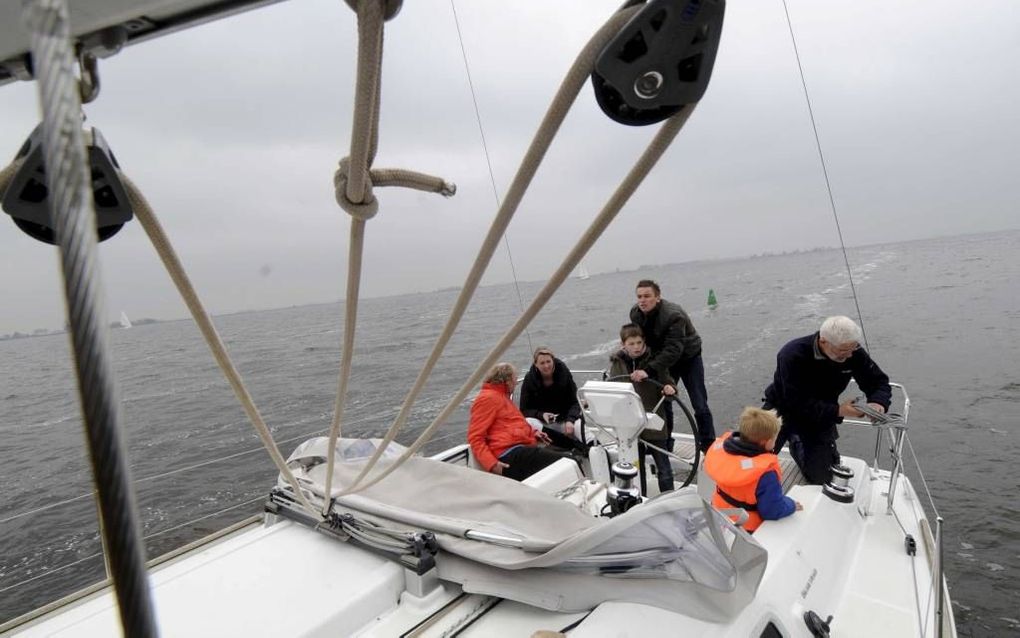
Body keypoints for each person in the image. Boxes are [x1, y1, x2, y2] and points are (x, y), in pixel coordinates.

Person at [763, 315, 892, 484]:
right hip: (781, 409)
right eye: (843, 350)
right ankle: (793, 435)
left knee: (822, 477)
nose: (849, 355)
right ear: (823, 342)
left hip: (820, 416)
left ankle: (796, 443)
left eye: (852, 349)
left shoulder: (853, 352)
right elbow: (795, 402)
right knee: (756, 463)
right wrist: (839, 410)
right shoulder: (791, 354)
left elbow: (878, 382)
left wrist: (877, 402)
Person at [629, 279, 715, 451]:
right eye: (639, 296)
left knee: (699, 402)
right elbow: (638, 340)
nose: (642, 300)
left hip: (688, 357)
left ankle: (708, 445)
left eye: (647, 296)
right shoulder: (636, 314)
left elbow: (674, 349)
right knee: (664, 399)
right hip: (662, 356)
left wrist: (648, 370)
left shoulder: (674, 315)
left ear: (658, 297)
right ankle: (666, 442)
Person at [468, 362, 573, 481]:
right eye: (514, 380)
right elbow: (475, 437)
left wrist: (534, 433)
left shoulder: (501, 397)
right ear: (507, 381)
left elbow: (513, 423)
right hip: (509, 454)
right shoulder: (487, 399)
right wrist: (492, 465)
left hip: (521, 448)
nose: (516, 383)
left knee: (568, 454)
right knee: (568, 461)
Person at [704, 407, 802, 532]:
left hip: (719, 514)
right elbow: (772, 510)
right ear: (767, 443)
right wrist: (791, 505)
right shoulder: (766, 474)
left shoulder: (725, 452)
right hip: (746, 528)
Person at [608, 324, 678, 493]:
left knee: (664, 469)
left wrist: (669, 389)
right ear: (623, 344)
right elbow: (610, 388)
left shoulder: (655, 362)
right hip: (629, 427)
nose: (637, 347)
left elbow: (670, 385)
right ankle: (641, 499)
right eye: (632, 344)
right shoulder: (617, 364)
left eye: (639, 342)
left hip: (653, 423)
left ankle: (669, 498)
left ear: (644, 342)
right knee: (636, 470)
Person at [519, 346, 585, 451]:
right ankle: (570, 446)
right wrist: (541, 414)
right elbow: (524, 410)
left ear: (553, 361)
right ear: (535, 364)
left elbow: (575, 401)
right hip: (544, 424)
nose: (546, 366)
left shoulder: (564, 373)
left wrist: (570, 420)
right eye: (542, 363)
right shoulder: (530, 380)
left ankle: (592, 447)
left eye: (548, 361)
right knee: (528, 422)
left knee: (581, 428)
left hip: (565, 419)